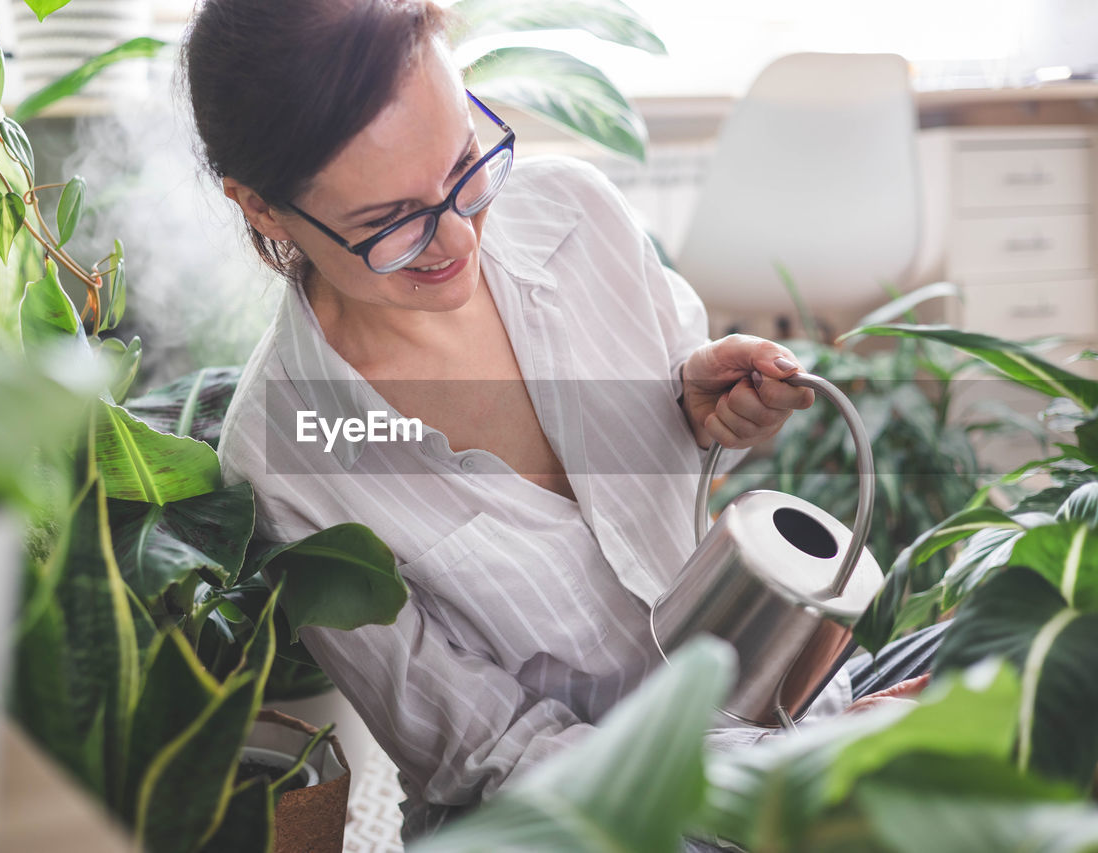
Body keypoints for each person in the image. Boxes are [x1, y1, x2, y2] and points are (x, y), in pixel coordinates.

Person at [183, 0, 934, 840]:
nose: (459, 238)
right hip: (574, 808)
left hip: (781, 705)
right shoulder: (288, 448)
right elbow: (483, 748)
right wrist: (787, 775)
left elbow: (687, 493)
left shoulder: (576, 214)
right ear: (262, 208)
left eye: (466, 167)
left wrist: (695, 411)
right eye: (391, 226)